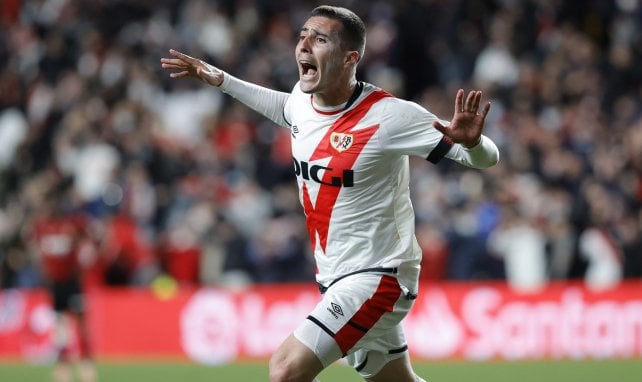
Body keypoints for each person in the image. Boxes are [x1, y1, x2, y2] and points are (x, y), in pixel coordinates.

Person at [161, 5, 499, 382]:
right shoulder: (302, 101)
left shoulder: (389, 117)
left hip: (381, 276)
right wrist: (222, 79)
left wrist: (475, 144)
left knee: (286, 369)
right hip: (336, 277)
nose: (304, 45)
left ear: (349, 58)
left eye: (319, 39)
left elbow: (485, 159)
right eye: (303, 35)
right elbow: (284, 107)